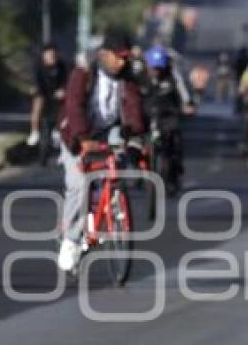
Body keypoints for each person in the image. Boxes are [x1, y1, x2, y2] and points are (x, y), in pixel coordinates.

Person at [56, 30, 146, 272]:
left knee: (117, 166)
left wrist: (134, 136)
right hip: (77, 134)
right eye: (118, 57)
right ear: (104, 54)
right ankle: (70, 239)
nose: (122, 62)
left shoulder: (127, 79)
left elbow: (134, 108)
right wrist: (83, 138)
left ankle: (112, 208)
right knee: (79, 183)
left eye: (126, 58)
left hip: (107, 133)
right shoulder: (83, 73)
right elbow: (73, 106)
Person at [141, 45, 186, 195]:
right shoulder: (141, 78)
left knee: (175, 142)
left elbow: (183, 94)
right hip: (147, 117)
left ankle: (174, 174)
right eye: (153, 68)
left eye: (159, 68)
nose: (156, 71)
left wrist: (187, 104)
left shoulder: (173, 77)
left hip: (168, 116)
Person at [27, 43, 68, 151]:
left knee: (64, 106)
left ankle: (57, 132)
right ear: (44, 56)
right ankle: (34, 131)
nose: (52, 58)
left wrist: (63, 89)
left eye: (54, 56)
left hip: (56, 92)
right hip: (42, 92)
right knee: (38, 102)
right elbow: (35, 81)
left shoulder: (61, 66)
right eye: (49, 56)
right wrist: (37, 89)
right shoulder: (37, 66)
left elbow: (66, 81)